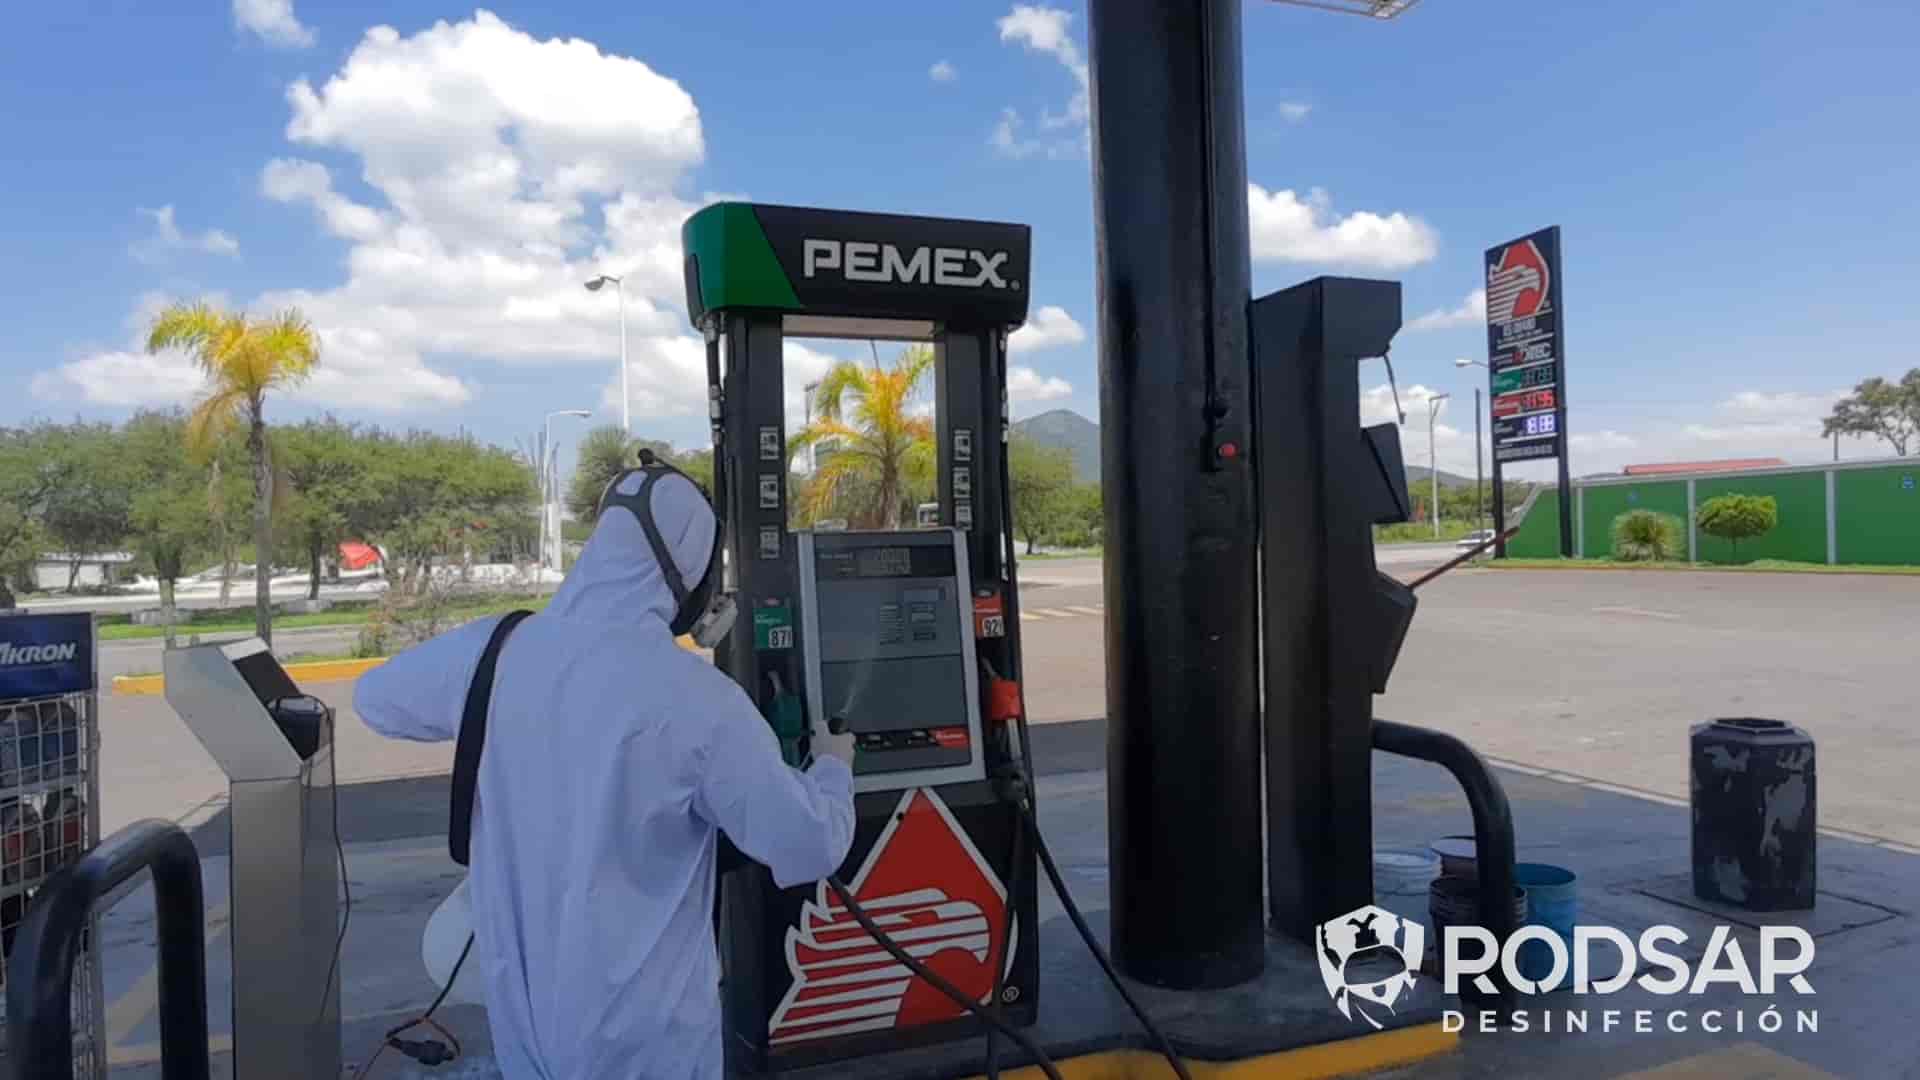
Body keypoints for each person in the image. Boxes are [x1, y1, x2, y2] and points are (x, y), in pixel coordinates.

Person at [356, 463, 856, 1079]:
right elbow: (807, 842)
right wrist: (833, 770)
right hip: (650, 1050)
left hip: (527, 1037)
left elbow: (373, 700)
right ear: (690, 576)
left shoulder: (492, 650)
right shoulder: (697, 698)